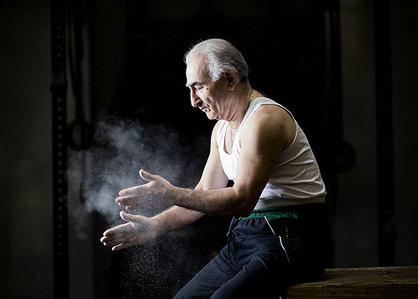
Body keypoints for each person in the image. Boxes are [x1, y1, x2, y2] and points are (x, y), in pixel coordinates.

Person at [100, 38, 330, 298]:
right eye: (190, 88)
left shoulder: (264, 121)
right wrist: (154, 226)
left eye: (199, 87)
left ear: (230, 80)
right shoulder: (221, 129)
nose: (193, 100)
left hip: (291, 241)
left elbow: (241, 200)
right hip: (244, 240)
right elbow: (204, 192)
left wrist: (171, 193)